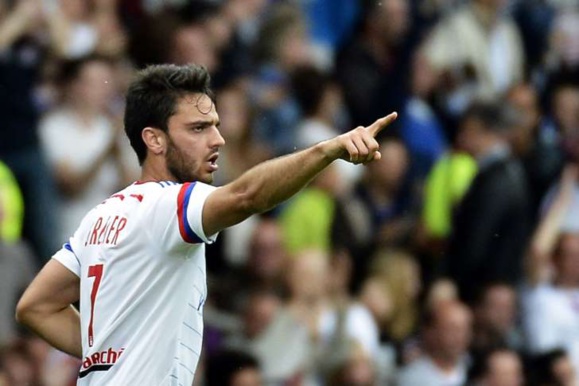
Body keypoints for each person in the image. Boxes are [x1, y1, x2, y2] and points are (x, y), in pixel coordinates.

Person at [14, 63, 397, 385]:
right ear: (155, 140)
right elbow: (247, 196)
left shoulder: (101, 216)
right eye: (198, 128)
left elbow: (36, 307)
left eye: (215, 125)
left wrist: (112, 353)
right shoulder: (171, 202)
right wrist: (326, 150)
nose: (218, 139)